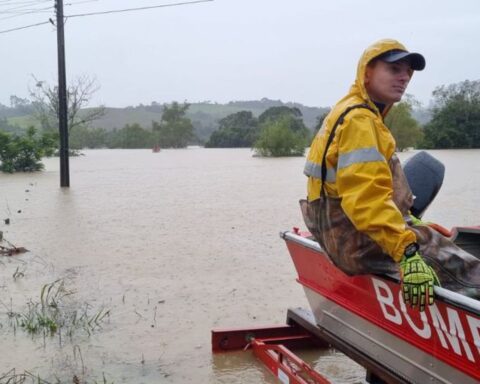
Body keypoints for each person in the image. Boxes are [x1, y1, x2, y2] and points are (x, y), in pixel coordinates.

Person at [301, 38, 480, 312]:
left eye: (408, 71)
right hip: (359, 240)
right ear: (367, 72)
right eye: (394, 69)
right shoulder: (360, 122)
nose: (404, 77)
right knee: (468, 272)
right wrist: (407, 252)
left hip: (344, 233)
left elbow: (364, 188)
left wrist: (412, 222)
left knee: (432, 238)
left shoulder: (353, 111)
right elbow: (366, 200)